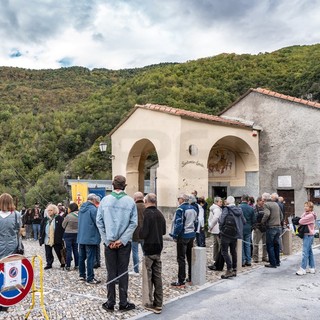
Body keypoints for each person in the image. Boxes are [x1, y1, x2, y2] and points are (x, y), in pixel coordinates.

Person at [96, 175, 137, 312]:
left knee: (111, 272)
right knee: (123, 272)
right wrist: (122, 240)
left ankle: (110, 302)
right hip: (124, 244)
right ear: (124, 186)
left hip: (109, 243)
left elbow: (99, 222)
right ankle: (123, 302)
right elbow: (133, 223)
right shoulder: (130, 201)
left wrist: (108, 240)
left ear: (113, 185)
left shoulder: (105, 200)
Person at [139, 193, 166, 314]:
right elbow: (164, 231)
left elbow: (143, 233)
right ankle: (159, 303)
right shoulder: (160, 214)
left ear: (146, 201)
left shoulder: (147, 214)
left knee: (148, 277)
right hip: (158, 247)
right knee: (158, 276)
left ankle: (149, 302)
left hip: (149, 248)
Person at [0, 193, 22, 312]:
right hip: (12, 246)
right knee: (9, 273)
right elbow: (19, 230)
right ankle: (6, 301)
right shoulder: (16, 215)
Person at [169, 193, 198, 287]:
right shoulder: (193, 208)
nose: (178, 200)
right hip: (191, 234)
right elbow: (196, 222)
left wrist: (175, 235)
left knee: (181, 258)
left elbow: (179, 223)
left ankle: (181, 279)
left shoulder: (181, 209)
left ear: (182, 199)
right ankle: (190, 276)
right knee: (189, 257)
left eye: (179, 198)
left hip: (183, 235)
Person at [219, 196, 246, 279]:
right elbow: (244, 221)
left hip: (226, 234)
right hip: (235, 234)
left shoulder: (226, 209)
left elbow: (221, 220)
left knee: (224, 251)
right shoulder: (239, 209)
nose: (225, 201)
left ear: (228, 202)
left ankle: (229, 269)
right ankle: (234, 269)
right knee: (233, 251)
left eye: (226, 200)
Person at [77, 194, 101, 284]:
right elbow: (98, 222)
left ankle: (81, 275)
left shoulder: (81, 209)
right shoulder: (93, 209)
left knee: (81, 257)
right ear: (94, 200)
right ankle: (90, 277)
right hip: (91, 237)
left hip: (81, 236)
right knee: (90, 258)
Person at [39, 204, 65, 270]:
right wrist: (41, 237)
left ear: (54, 210)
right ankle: (49, 263)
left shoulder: (59, 218)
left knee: (59, 251)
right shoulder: (45, 219)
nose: (49, 212)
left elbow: (62, 228)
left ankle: (63, 262)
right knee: (48, 252)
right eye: (48, 210)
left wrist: (62, 237)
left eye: (51, 210)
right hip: (47, 238)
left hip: (56, 238)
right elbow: (42, 228)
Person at [261, 192, 283, 268]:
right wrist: (278, 222)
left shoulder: (267, 204)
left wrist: (262, 222)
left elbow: (266, 214)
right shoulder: (276, 204)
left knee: (270, 246)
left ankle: (272, 263)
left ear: (264, 199)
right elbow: (281, 215)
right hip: (278, 227)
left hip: (271, 227)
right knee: (276, 245)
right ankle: (277, 261)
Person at [296, 201, 317, 275]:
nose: (305, 207)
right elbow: (301, 218)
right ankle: (312, 267)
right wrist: (304, 214)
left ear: (310, 208)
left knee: (305, 252)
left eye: (307, 206)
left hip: (308, 235)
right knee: (309, 252)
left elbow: (301, 221)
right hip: (308, 234)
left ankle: (303, 269)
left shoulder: (310, 216)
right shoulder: (307, 214)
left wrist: (302, 218)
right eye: (304, 206)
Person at [131, 191, 145, 275]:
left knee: (135, 252)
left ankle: (136, 270)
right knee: (145, 252)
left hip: (135, 233)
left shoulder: (133, 207)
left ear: (135, 198)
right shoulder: (146, 207)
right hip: (145, 233)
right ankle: (146, 269)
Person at [62, 202, 79, 271]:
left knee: (69, 250)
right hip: (77, 233)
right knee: (76, 250)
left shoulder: (69, 216)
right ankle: (77, 265)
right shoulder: (80, 215)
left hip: (68, 233)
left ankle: (68, 266)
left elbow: (63, 225)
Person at [240, 194, 256, 267]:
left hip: (240, 228)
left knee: (242, 245)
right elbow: (254, 220)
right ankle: (248, 260)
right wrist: (251, 226)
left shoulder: (239, 207)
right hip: (248, 228)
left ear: (241, 199)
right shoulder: (251, 208)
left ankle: (242, 260)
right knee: (248, 245)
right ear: (247, 200)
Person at [208, 197, 223, 270]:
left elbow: (210, 219)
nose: (221, 202)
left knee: (215, 245)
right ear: (216, 202)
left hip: (214, 229)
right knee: (219, 245)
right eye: (220, 201)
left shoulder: (213, 208)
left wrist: (210, 226)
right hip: (217, 229)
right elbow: (215, 219)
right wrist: (211, 226)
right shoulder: (217, 209)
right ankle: (217, 260)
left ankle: (215, 259)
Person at [252, 196, 268, 263]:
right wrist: (255, 226)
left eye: (264, 201)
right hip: (258, 228)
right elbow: (253, 218)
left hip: (264, 227)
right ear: (258, 201)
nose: (263, 202)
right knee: (256, 244)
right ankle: (255, 258)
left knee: (265, 244)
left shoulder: (265, 208)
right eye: (262, 201)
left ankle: (264, 256)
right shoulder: (254, 208)